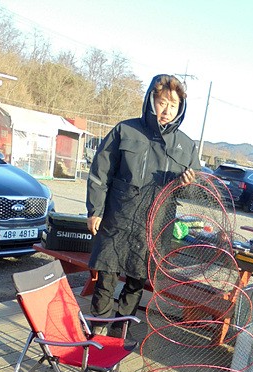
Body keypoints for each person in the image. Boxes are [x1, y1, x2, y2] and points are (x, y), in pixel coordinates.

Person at [86, 74, 201, 336]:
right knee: (106, 278)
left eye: (173, 105)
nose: (167, 110)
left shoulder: (186, 145)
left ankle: (120, 332)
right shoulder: (125, 130)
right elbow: (99, 173)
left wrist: (188, 184)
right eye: (162, 103)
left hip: (154, 225)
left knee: (136, 282)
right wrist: (95, 211)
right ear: (151, 101)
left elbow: (194, 191)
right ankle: (98, 331)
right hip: (117, 219)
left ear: (180, 108)